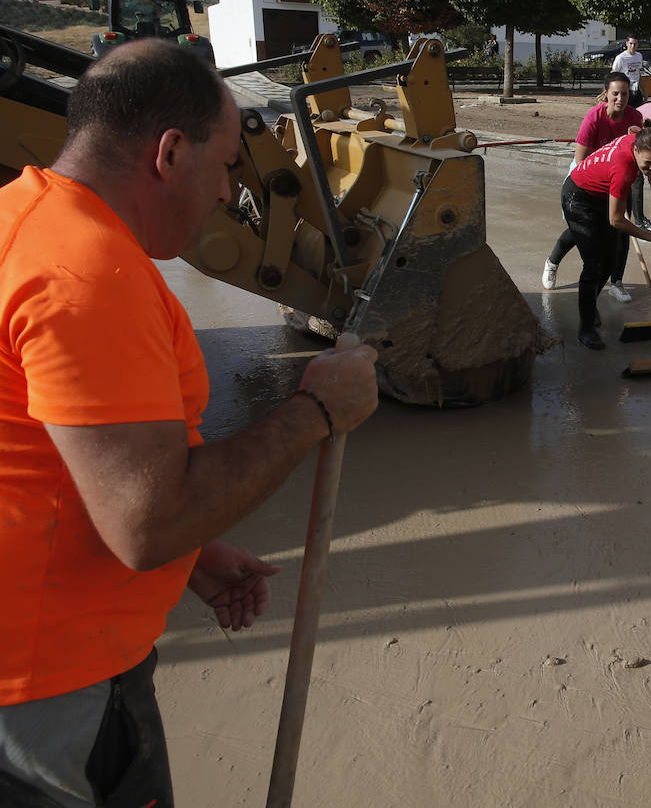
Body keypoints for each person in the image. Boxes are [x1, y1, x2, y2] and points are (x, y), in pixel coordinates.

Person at [0, 40, 379, 807]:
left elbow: (46, 451)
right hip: (50, 690)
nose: (222, 192)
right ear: (170, 153)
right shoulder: (90, 277)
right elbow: (146, 522)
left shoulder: (22, 216)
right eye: (225, 163)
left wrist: (193, 553)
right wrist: (315, 410)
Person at [560, 128, 651, 349]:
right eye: (648, 163)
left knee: (609, 264)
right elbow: (617, 220)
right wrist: (649, 235)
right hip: (578, 197)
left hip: (600, 194)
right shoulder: (623, 170)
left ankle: (589, 306)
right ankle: (586, 328)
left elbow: (636, 129)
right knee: (594, 265)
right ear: (636, 149)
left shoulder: (636, 138)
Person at [540, 72, 644, 300]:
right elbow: (581, 160)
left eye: (624, 94)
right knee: (584, 229)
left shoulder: (634, 117)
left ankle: (616, 281)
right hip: (586, 175)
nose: (620, 98)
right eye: (615, 93)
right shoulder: (594, 117)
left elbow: (638, 151)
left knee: (620, 227)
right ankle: (552, 262)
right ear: (606, 94)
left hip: (618, 175)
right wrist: (604, 187)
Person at [612, 35, 646, 107]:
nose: (633, 46)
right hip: (625, 89)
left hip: (636, 88)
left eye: (635, 44)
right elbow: (613, 74)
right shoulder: (621, 58)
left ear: (638, 45)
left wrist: (644, 91)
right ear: (627, 43)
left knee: (639, 110)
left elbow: (638, 74)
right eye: (631, 43)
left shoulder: (639, 56)